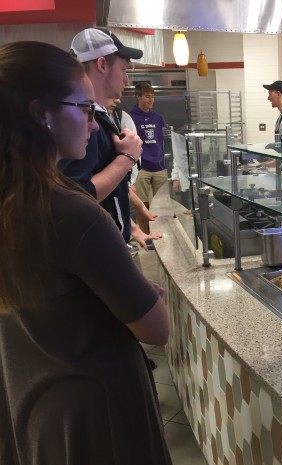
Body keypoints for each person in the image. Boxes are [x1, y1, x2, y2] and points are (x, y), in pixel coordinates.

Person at [0, 41, 171, 464]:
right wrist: (153, 293)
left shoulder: (12, 199)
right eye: (83, 109)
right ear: (42, 113)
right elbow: (156, 328)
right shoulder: (70, 212)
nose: (94, 125)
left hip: (31, 400)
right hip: (96, 417)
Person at [58, 27, 160, 250]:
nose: (126, 79)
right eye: (123, 70)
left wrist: (131, 229)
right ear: (102, 65)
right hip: (93, 251)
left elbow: (110, 192)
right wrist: (126, 158)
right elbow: (74, 196)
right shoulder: (82, 124)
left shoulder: (100, 116)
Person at [130, 81, 168, 234]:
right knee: (142, 204)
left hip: (159, 166)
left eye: (152, 96)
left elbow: (166, 140)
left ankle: (163, 232)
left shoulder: (158, 118)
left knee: (162, 203)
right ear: (138, 97)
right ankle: (146, 235)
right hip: (141, 168)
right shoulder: (131, 118)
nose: (150, 100)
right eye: (147, 96)